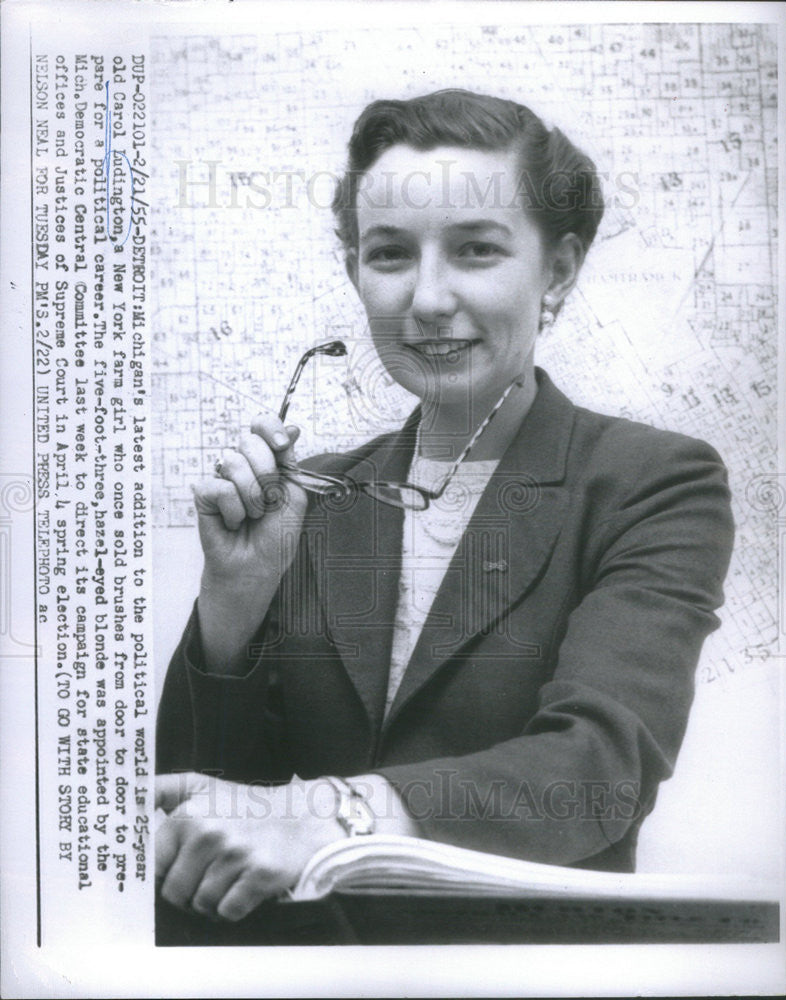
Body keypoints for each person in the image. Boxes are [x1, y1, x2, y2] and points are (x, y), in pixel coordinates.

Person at [155, 89, 734, 923]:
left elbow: (597, 770)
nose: (426, 299)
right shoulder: (310, 495)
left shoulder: (648, 482)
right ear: (354, 267)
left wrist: (338, 814)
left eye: (474, 250)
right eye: (389, 253)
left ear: (559, 268)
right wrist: (234, 605)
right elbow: (200, 815)